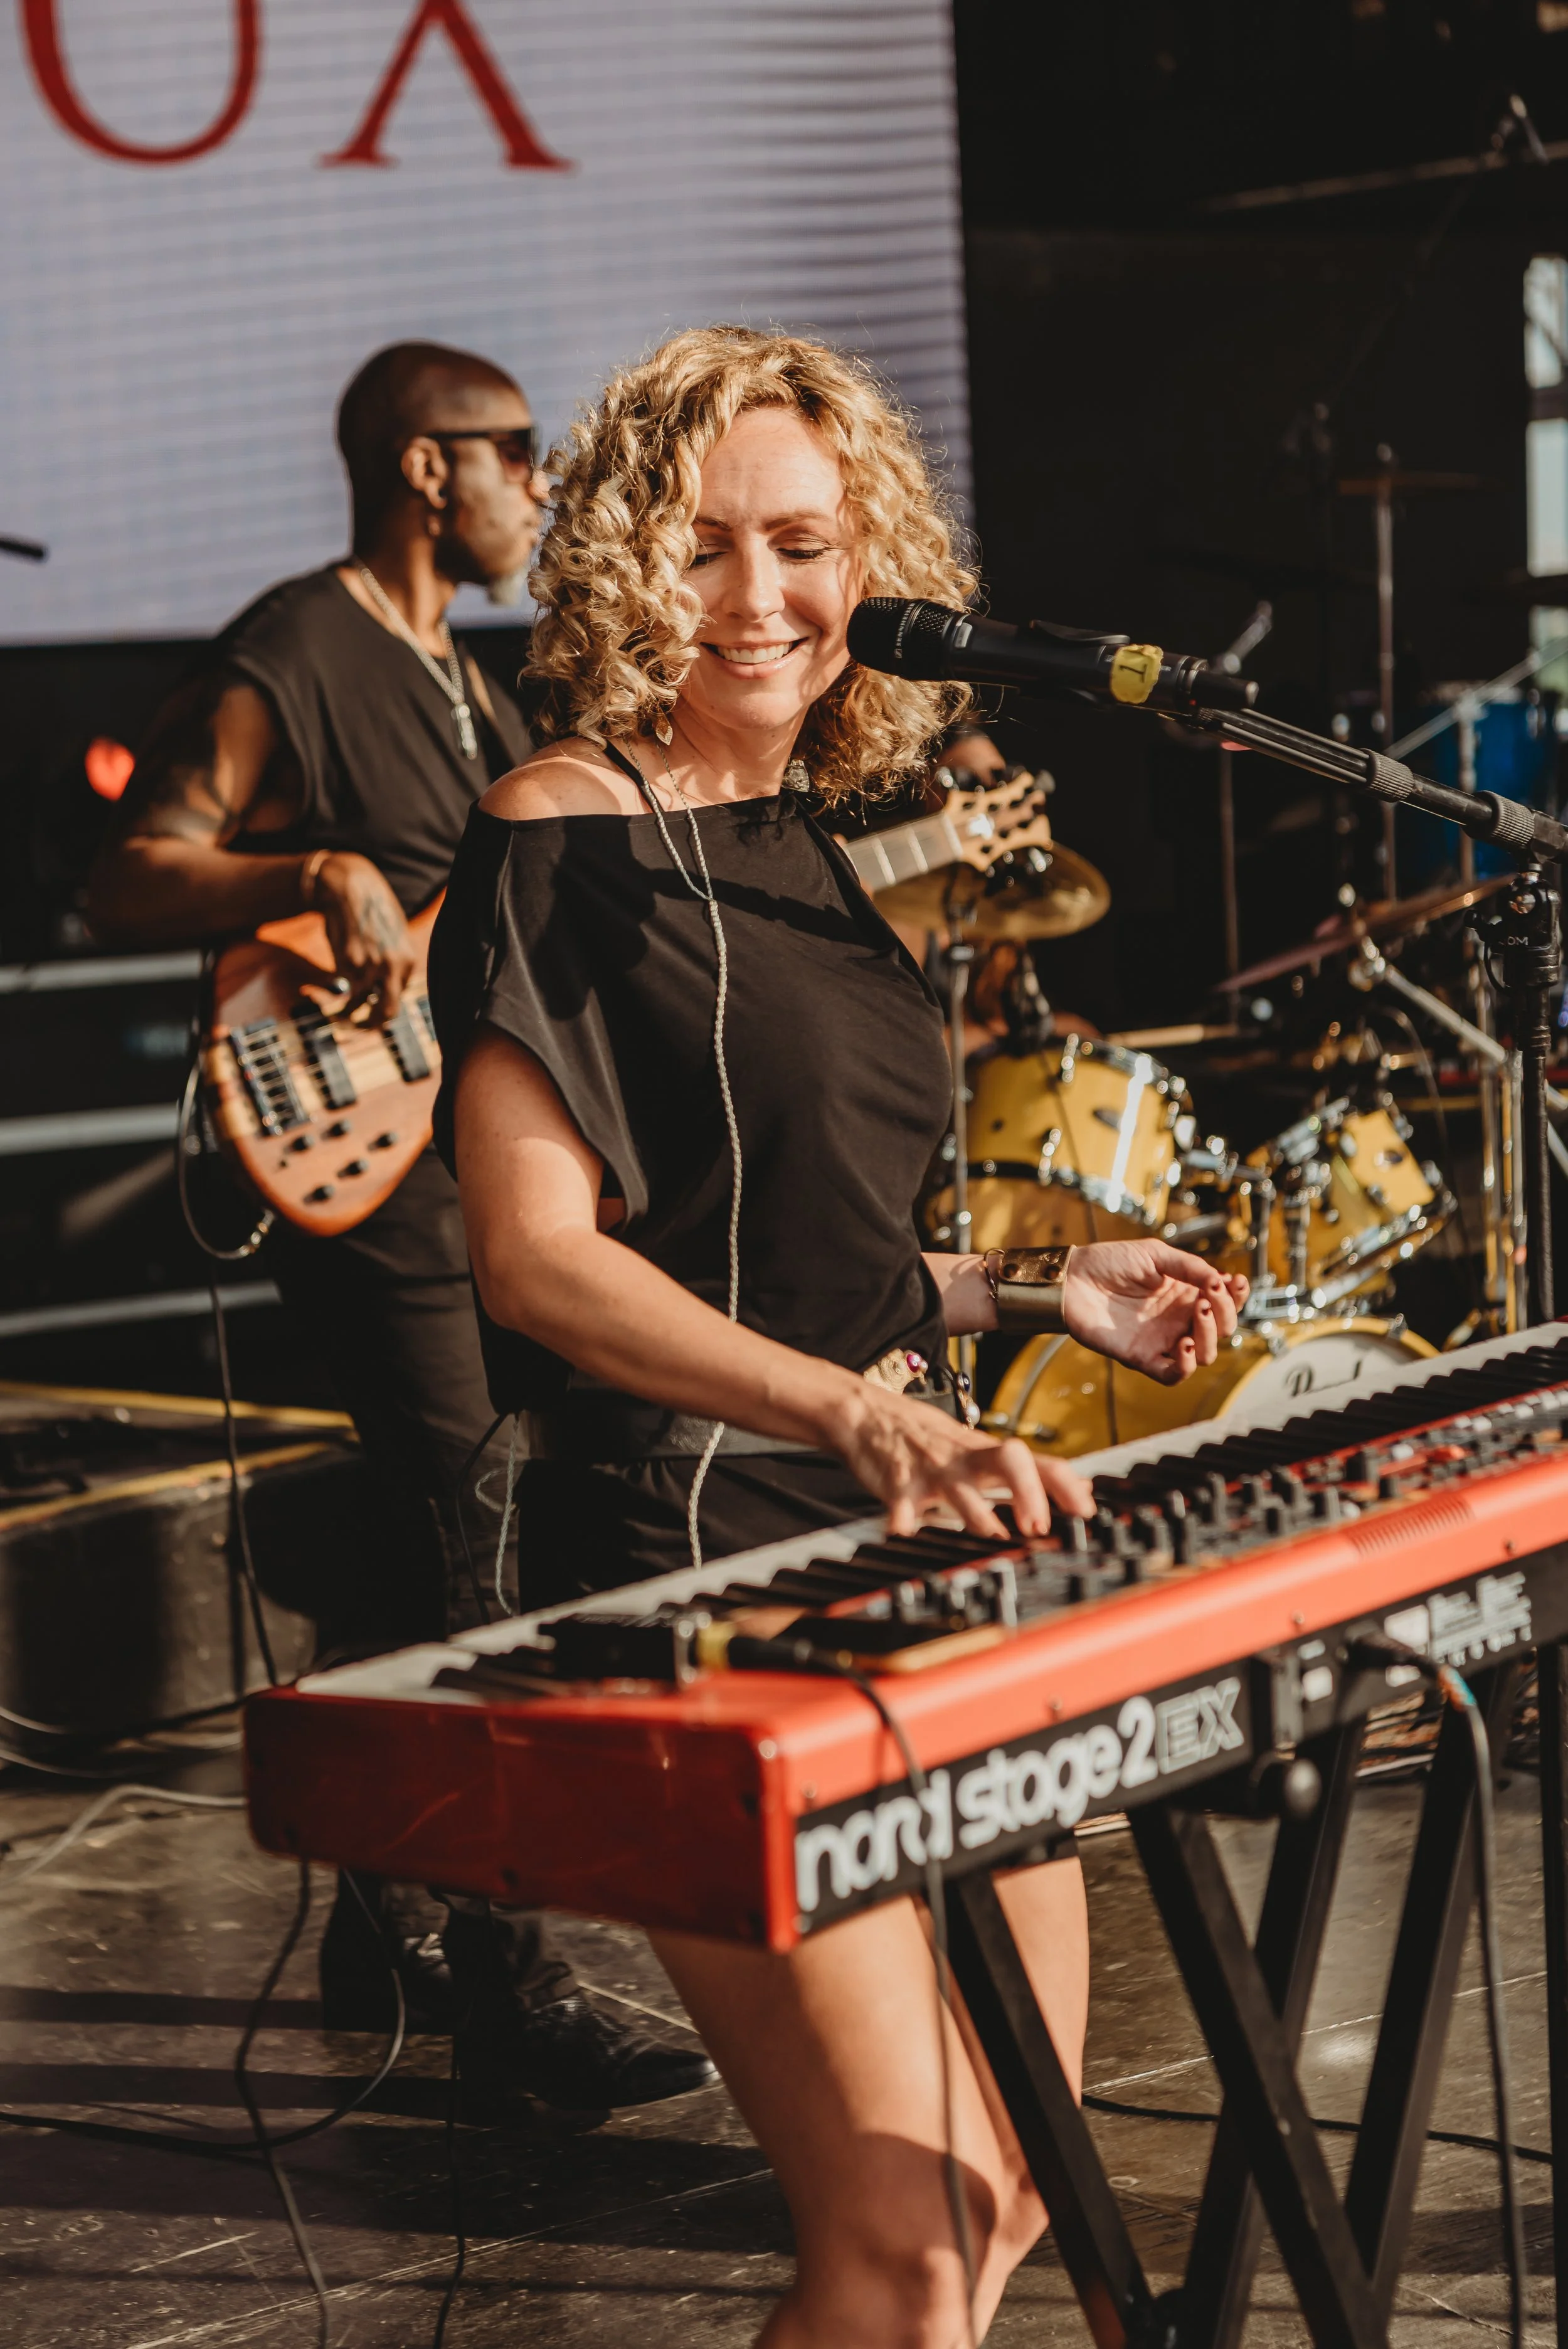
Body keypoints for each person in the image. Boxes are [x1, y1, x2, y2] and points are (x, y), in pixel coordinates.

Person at [430, 326, 1247, 2343]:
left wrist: (1013, 1295)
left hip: (904, 1546)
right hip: (711, 1556)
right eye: (707, 549)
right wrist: (862, 1425)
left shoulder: (809, 846)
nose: (766, 600)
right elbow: (538, 1264)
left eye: (804, 544)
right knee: (893, 2249)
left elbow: (791, 1251)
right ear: (624, 562)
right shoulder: (563, 835)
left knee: (1009, 2197)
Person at [86, 341, 714, 2118]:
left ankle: (384, 1916)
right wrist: (305, 872)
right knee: (469, 1531)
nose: (537, 485)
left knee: (444, 1526)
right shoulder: (299, 645)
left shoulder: (474, 680)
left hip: (469, 1162)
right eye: (516, 454)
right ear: (427, 468)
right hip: (357, 1168)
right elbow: (131, 870)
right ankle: (516, 1986)